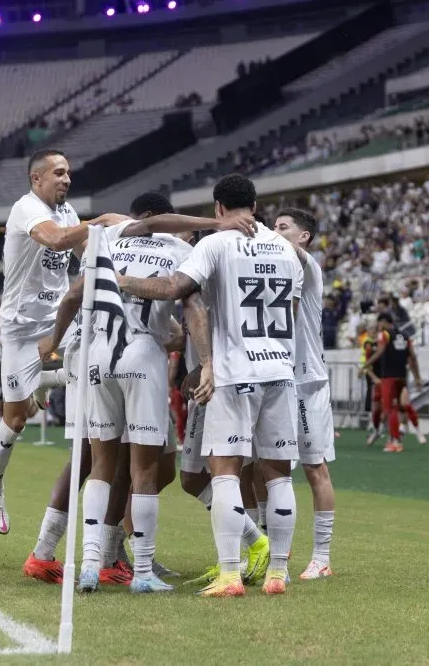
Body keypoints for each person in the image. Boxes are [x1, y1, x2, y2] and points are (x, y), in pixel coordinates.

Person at [21, 192, 258, 589]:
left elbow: (74, 296)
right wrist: (205, 362)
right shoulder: (182, 250)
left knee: (101, 463)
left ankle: (92, 563)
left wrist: (52, 342)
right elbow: (193, 307)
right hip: (142, 354)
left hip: (98, 353)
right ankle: (142, 571)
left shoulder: (110, 240)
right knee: (141, 468)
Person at [118, 173, 303, 597]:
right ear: (254, 206)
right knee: (279, 476)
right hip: (279, 370)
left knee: (224, 473)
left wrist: (123, 280)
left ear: (219, 208)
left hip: (233, 373)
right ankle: (278, 573)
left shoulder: (216, 244)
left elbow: (175, 288)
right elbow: (290, 311)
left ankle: (231, 574)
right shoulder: (286, 250)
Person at [0, 148, 125, 535]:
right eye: (59, 173)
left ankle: (50, 379)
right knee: (16, 420)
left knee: (96, 363)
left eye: (68, 173)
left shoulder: (68, 212)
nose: (67, 179)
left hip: (60, 318)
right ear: (37, 178)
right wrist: (101, 222)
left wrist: (120, 250)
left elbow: (83, 250)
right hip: (21, 327)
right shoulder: (25, 209)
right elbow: (58, 240)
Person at [274, 208, 336, 580]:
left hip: (306, 382)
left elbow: (290, 252)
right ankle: (273, 551)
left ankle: (322, 557)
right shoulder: (276, 269)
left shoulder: (309, 266)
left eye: (283, 228)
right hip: (277, 377)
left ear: (304, 236)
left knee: (315, 468)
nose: (275, 232)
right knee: (270, 467)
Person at [365, 312, 425, 453]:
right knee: (401, 406)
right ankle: (397, 435)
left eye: (379, 323)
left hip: (388, 377)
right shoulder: (406, 336)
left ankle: (395, 441)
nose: (379, 327)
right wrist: (417, 377)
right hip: (402, 376)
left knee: (390, 409)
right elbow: (412, 357)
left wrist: (365, 364)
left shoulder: (384, 335)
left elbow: (380, 351)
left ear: (384, 322)